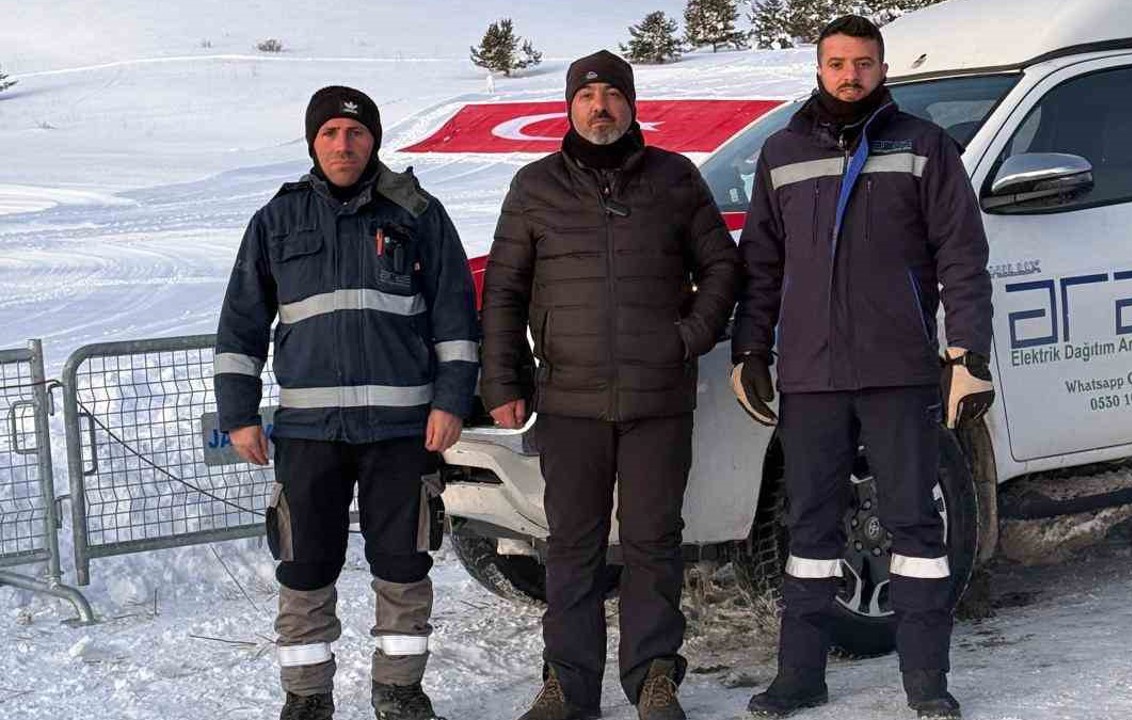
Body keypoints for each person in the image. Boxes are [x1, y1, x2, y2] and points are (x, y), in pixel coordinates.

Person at [730, 15, 995, 720]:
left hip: (898, 370)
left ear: (883, 68)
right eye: (838, 63)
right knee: (810, 529)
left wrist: (968, 354)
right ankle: (800, 676)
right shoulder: (781, 152)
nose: (851, 75)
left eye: (864, 63)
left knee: (915, 527)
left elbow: (963, 255)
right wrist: (749, 350)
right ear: (819, 69)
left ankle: (926, 680)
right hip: (810, 376)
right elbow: (761, 263)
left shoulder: (924, 146)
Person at [480, 50, 740, 720]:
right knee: (573, 545)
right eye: (588, 96)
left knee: (654, 541)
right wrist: (502, 379)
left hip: (658, 399)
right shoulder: (534, 187)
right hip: (568, 399)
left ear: (631, 104)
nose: (601, 107)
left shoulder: (675, 178)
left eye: (613, 95)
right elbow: (504, 291)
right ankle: (568, 686)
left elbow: (722, 267)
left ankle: (654, 678)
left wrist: (688, 337)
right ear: (570, 107)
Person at [214, 85, 479, 720]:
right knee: (304, 564)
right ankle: (307, 696)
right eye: (330, 132)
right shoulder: (277, 220)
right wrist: (239, 414)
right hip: (309, 432)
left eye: (356, 133)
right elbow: (241, 325)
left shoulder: (417, 214)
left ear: (374, 140)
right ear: (313, 142)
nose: (343, 144)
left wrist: (451, 401)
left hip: (402, 429)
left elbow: (455, 316)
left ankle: (400, 690)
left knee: (404, 562)